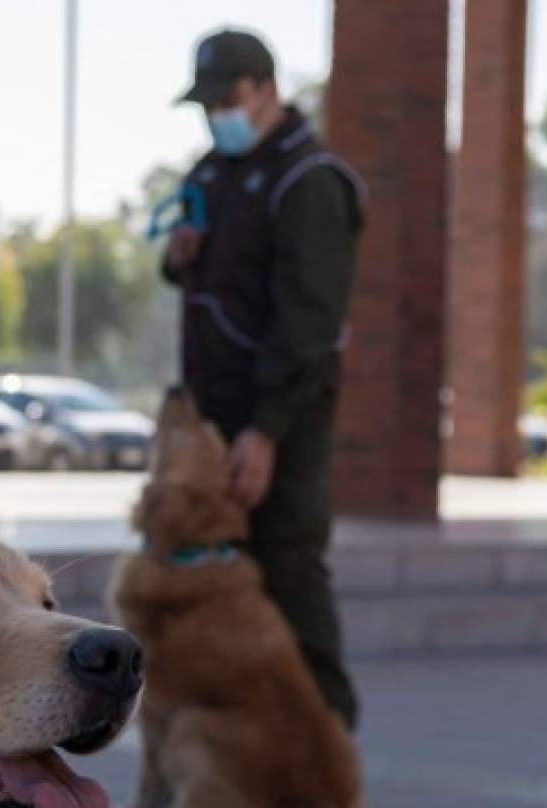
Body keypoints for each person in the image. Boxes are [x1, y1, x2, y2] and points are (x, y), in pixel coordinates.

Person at [161, 29, 365, 729]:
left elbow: (307, 325)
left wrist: (264, 432)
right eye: (206, 102)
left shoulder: (310, 182)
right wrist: (178, 255)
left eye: (227, 98)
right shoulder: (210, 174)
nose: (216, 113)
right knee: (212, 588)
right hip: (211, 419)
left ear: (266, 90)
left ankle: (329, 754)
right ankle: (242, 750)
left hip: (280, 421)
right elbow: (198, 276)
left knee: (288, 575)